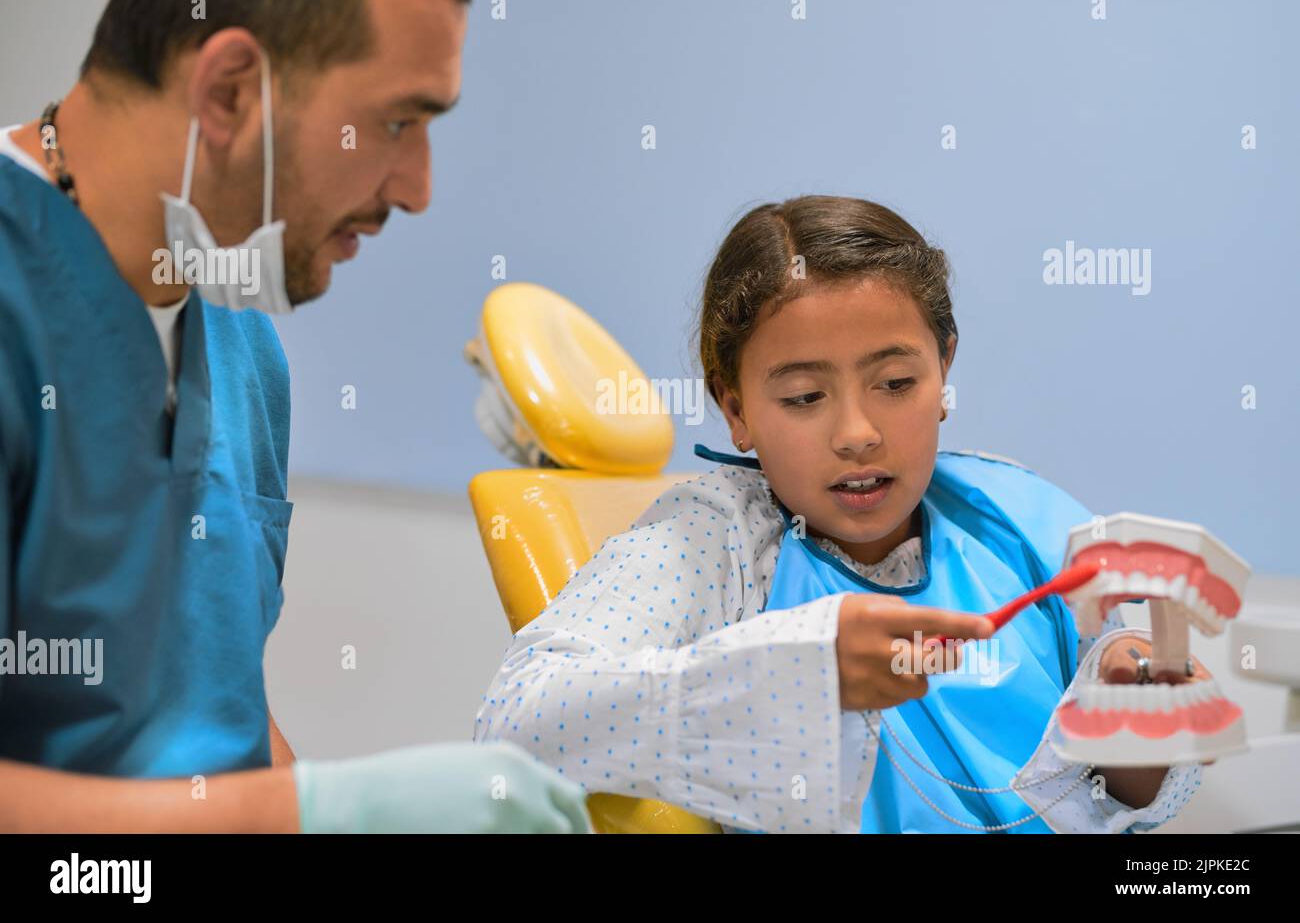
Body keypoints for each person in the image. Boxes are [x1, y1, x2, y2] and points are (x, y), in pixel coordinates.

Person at [0, 0, 588, 833]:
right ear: (231, 91)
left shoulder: (243, 349)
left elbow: (207, 718)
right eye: (396, 121)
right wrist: (308, 813)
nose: (418, 189)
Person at [474, 194, 1214, 833]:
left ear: (944, 366)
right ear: (735, 407)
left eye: (895, 382)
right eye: (803, 398)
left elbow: (1113, 797)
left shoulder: (1019, 520)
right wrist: (801, 672)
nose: (857, 432)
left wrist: (1133, 729)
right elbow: (517, 720)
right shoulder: (716, 537)